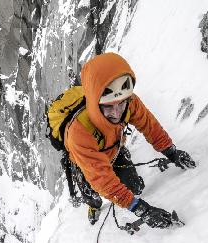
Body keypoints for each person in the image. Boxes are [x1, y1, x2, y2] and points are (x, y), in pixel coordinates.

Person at [64, 52, 196, 226]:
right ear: (96, 104)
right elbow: (102, 180)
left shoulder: (129, 102)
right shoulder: (78, 131)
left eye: (121, 104)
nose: (117, 112)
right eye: (109, 107)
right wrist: (143, 210)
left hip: (115, 149)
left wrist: (171, 152)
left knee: (134, 188)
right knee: (94, 196)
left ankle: (114, 183)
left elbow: (150, 126)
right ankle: (93, 207)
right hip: (84, 163)